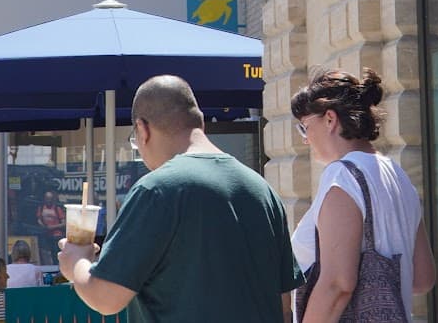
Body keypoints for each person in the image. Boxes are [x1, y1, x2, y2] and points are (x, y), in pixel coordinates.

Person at [58, 75, 301, 322]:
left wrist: (76, 262)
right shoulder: (263, 191)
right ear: (200, 122)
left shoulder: (156, 191)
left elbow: (106, 298)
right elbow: (284, 307)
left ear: (142, 130)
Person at [290, 68, 436, 323]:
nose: (305, 140)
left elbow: (337, 284)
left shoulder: (343, 176)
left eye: (305, 127)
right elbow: (423, 277)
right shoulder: (398, 176)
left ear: (330, 119)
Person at [34, 192, 64, 263]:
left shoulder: (57, 208)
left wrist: (52, 227)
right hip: (45, 235)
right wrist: (43, 226)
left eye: (50, 199)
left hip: (56, 235)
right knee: (46, 253)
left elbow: (63, 223)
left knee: (56, 254)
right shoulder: (41, 208)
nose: (49, 200)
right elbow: (39, 219)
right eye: (47, 198)